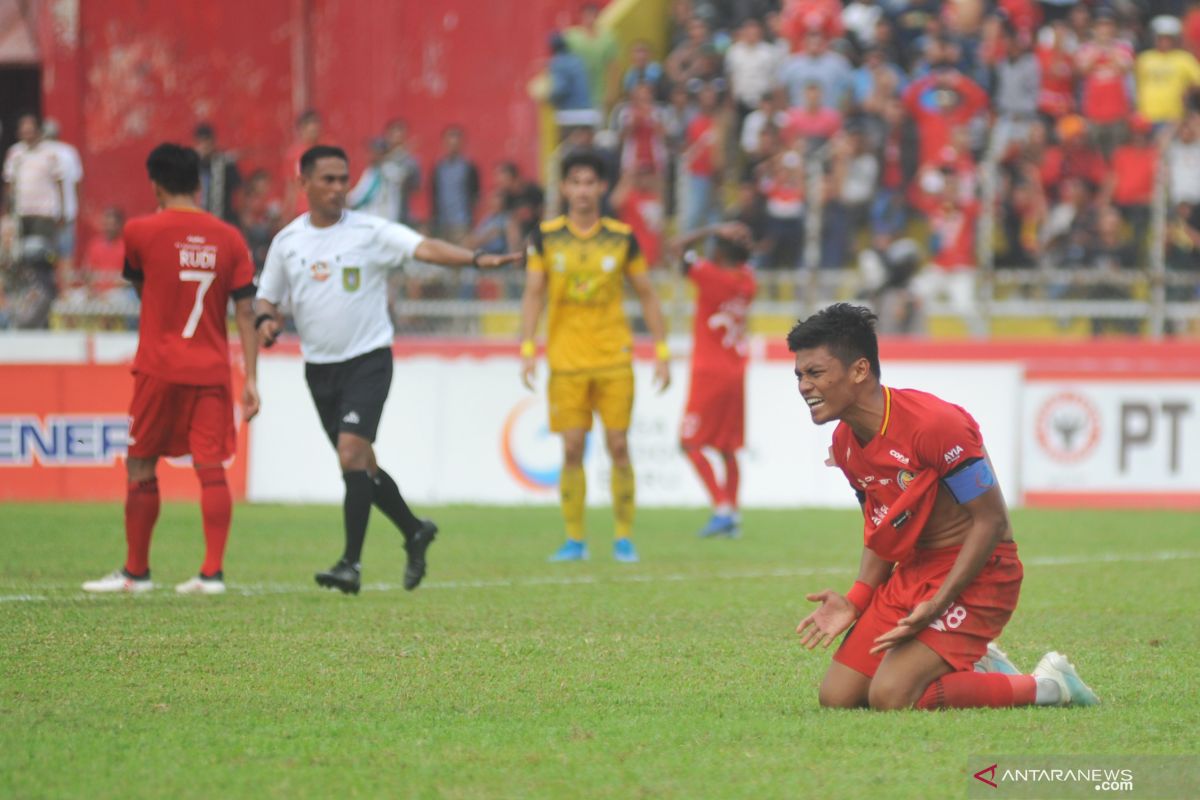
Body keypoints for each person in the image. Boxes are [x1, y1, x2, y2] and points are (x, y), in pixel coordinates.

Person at [789, 303, 1099, 710]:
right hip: (915, 575)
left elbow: (992, 523)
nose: (804, 386)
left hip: (981, 574)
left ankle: (1048, 686)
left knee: (891, 697)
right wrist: (857, 599)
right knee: (838, 697)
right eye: (799, 375)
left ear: (860, 370)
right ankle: (969, 661)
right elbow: (882, 530)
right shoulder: (846, 446)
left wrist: (939, 604)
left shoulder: (935, 424)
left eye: (815, 373)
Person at [255, 145, 521, 595]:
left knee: (350, 455)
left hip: (368, 359)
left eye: (344, 179)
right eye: (328, 179)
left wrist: (475, 260)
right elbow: (267, 296)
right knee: (362, 466)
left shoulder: (369, 231)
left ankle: (350, 565)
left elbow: (424, 247)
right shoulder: (288, 242)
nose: (339, 188)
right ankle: (415, 530)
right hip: (319, 368)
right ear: (304, 183)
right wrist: (265, 319)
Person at [82, 143, 260, 595]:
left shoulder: (139, 231)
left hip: (158, 368)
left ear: (156, 184)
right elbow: (246, 312)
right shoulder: (230, 238)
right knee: (211, 466)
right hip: (212, 370)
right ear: (199, 184)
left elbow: (143, 286)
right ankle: (211, 574)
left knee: (141, 464)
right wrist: (252, 377)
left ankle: (136, 573)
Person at [518, 149, 671, 564]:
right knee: (571, 448)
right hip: (566, 361)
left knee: (618, 445)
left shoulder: (622, 237)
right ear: (565, 187)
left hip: (613, 357)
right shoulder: (545, 237)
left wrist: (661, 351)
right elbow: (533, 294)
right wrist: (528, 346)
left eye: (591, 183)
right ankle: (574, 539)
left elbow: (647, 296)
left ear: (602, 188)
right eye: (576, 182)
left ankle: (623, 537)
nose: (583, 190)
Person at [672, 222, 756, 538]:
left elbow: (675, 248)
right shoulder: (747, 280)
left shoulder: (709, 276)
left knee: (690, 443)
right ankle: (732, 514)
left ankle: (722, 508)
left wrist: (709, 230)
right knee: (727, 447)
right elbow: (742, 258)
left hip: (709, 371)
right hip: (736, 371)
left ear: (718, 251)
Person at [193, 122, 242, 224]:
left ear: (213, 142)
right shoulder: (192, 165)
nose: (204, 145)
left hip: (222, 218)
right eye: (200, 141)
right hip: (198, 219)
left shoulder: (225, 163)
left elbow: (239, 192)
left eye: (207, 140)